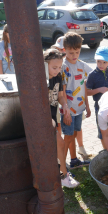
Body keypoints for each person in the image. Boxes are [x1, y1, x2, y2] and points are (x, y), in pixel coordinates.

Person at [51, 35, 91, 160]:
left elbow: (85, 84)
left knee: (73, 134)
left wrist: (88, 106)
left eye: (77, 52)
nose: (74, 55)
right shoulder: (63, 67)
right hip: (68, 110)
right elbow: (62, 92)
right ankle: (63, 165)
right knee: (67, 137)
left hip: (79, 109)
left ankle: (73, 161)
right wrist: (66, 110)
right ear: (64, 50)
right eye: (71, 53)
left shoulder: (82, 65)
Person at [44, 48, 79, 188]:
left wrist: (65, 105)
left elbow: (60, 96)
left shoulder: (58, 77)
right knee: (59, 143)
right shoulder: (41, 79)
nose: (57, 70)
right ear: (44, 65)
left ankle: (59, 172)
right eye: (54, 67)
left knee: (59, 144)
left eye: (59, 67)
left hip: (53, 114)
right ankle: (64, 175)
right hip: (44, 117)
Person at [86, 46, 108, 145]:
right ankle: (105, 151)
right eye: (99, 61)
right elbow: (87, 92)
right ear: (96, 59)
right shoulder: (92, 75)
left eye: (104, 62)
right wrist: (99, 90)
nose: (101, 64)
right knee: (102, 130)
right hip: (99, 107)